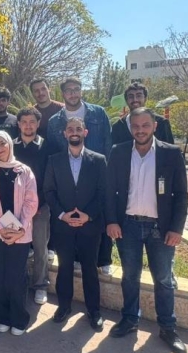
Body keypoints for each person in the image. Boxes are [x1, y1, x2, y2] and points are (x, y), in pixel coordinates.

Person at [106, 108, 188, 353]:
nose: (140, 130)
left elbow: (181, 194)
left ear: (154, 126)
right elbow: (109, 191)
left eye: (145, 125)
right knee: (130, 276)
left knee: (163, 279)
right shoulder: (119, 151)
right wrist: (112, 221)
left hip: (160, 229)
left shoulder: (170, 153)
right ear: (130, 128)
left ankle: (168, 327)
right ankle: (130, 319)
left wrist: (176, 228)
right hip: (128, 225)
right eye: (135, 126)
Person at [44, 117, 107, 331]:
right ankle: (64, 306)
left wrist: (88, 215)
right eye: (70, 129)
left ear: (85, 132)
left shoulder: (98, 160)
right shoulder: (54, 160)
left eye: (78, 128)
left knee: (90, 269)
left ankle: (94, 311)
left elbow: (103, 192)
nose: (74, 132)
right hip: (63, 226)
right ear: (64, 133)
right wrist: (62, 215)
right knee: (65, 268)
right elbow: (49, 191)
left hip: (90, 226)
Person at [46, 77, 114, 275]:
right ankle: (75, 258)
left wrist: (106, 170)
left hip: (95, 170)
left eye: (76, 89)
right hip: (68, 176)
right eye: (69, 90)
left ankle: (104, 259)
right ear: (63, 94)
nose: (73, 93)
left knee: (98, 214)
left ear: (81, 91)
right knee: (71, 220)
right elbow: (52, 149)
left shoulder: (98, 113)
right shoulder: (54, 121)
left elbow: (108, 142)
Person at [0, 131, 38, 335]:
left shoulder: (25, 171)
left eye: (2, 143)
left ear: (9, 145)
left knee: (15, 278)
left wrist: (20, 229)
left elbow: (31, 202)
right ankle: (2, 316)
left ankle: (19, 319)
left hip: (20, 235)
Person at [13, 107, 51, 305]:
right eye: (24, 122)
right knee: (17, 246)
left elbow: (50, 177)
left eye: (32, 122)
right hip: (15, 206)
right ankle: (19, 282)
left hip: (40, 206)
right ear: (19, 124)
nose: (28, 126)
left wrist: (39, 203)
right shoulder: (10, 146)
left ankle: (40, 285)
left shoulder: (47, 146)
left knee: (40, 247)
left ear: (38, 124)